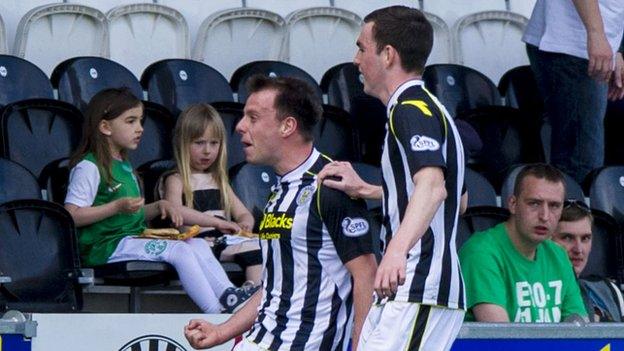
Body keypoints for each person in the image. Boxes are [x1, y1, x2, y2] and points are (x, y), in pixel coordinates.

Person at [184, 76, 378, 350]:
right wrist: (221, 332)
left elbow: (366, 275)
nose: (239, 127)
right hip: (260, 341)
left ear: (288, 126)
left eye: (253, 118)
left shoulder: (332, 185)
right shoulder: (281, 188)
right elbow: (276, 285)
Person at [317, 6, 466, 351]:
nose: (355, 60)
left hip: (418, 286)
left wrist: (396, 250)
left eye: (361, 48)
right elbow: (458, 199)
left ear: (387, 55)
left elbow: (433, 188)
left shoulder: (409, 109)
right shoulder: (431, 108)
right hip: (412, 289)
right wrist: (369, 189)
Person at [64, 88, 256, 314]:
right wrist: (115, 206)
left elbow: (133, 214)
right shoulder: (89, 166)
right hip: (106, 246)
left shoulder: (124, 166)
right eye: (131, 121)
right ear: (105, 127)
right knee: (179, 251)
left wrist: (158, 207)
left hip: (131, 239)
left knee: (195, 244)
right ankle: (216, 313)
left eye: (140, 121)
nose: (140, 128)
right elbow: (71, 216)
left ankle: (229, 296)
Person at [459, 164, 587, 323]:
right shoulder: (480, 253)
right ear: (512, 204)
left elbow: (580, 330)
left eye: (554, 206)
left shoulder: (558, 255)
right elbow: (500, 339)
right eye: (534, 203)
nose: (545, 216)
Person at [522, 0, 624, 184]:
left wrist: (616, 51)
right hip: (572, 45)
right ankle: (572, 211)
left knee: (584, 157)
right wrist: (597, 35)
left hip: (586, 45)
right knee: (581, 161)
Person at [163, 103, 262, 284]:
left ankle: (253, 292)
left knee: (260, 247)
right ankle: (248, 296)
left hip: (224, 240)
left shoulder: (218, 180)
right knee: (252, 248)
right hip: (198, 242)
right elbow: (175, 211)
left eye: (214, 143)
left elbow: (243, 213)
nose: (207, 150)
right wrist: (215, 224)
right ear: (182, 143)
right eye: (199, 143)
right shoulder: (176, 179)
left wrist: (245, 224)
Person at [552, 199, 624, 322]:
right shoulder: (532, 296)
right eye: (568, 238)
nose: (578, 249)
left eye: (585, 238)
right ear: (548, 241)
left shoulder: (609, 290)